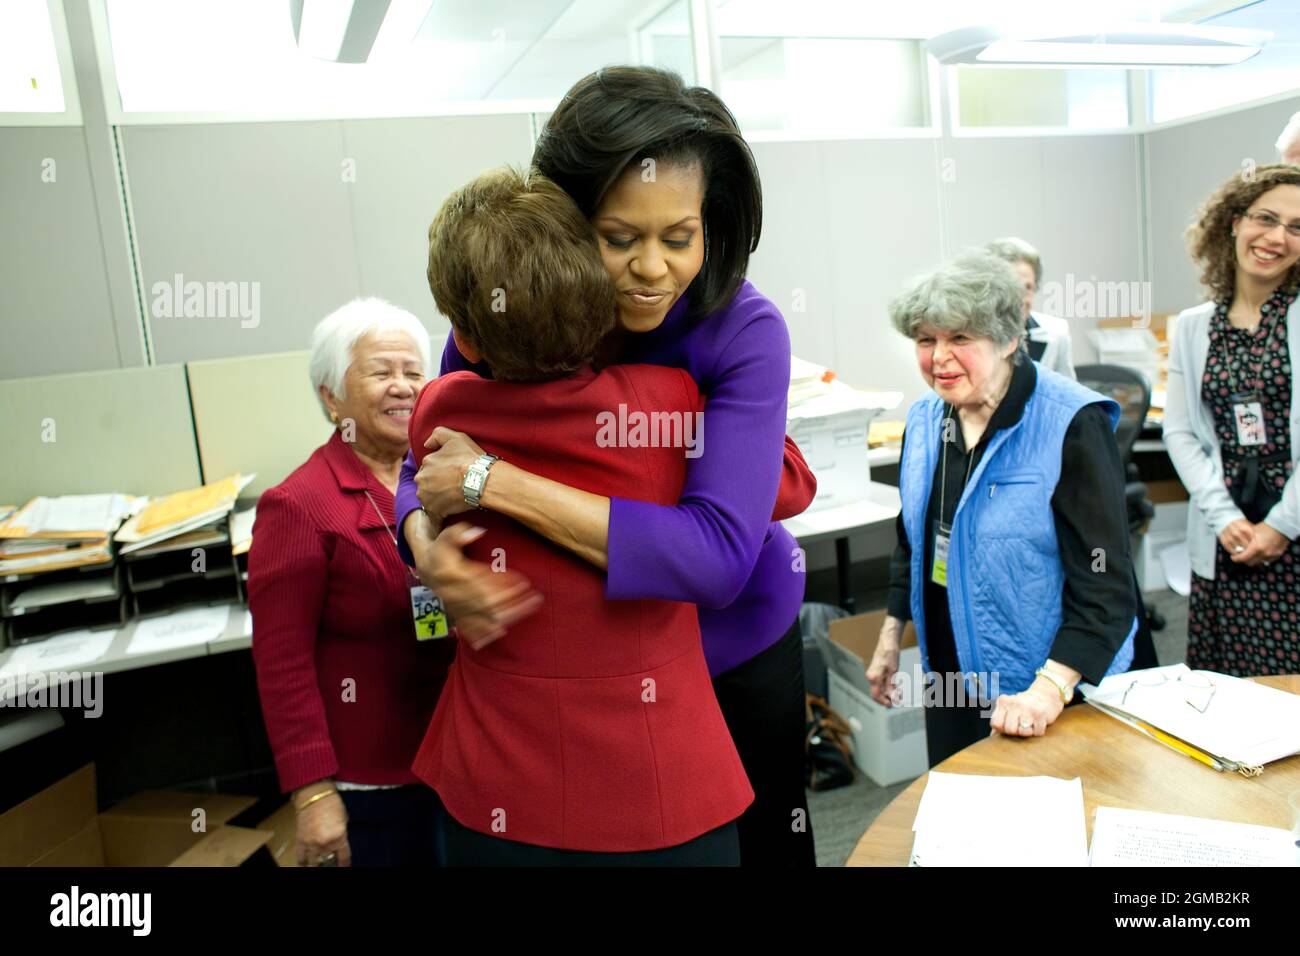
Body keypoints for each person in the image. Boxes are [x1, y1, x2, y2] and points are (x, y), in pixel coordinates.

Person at [395, 67, 817, 866]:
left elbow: (717, 555)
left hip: (727, 652)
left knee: (764, 843)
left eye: (679, 237)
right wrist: (423, 544)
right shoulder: (521, 302)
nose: (652, 268)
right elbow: (433, 452)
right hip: (575, 668)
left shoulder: (740, 329)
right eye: (618, 238)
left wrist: (498, 483)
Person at [867, 252, 1137, 767]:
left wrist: (1048, 690)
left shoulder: (1071, 424)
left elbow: (1106, 588)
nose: (940, 358)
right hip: (949, 670)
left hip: (1048, 684)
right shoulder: (925, 420)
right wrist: (889, 635)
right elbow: (914, 541)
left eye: (960, 339)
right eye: (926, 340)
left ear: (1010, 339)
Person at [248, 298, 454, 866]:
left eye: (414, 372)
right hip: (374, 781)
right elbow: (281, 666)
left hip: (459, 761)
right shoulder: (297, 506)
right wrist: (313, 793)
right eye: (381, 372)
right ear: (330, 395)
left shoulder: (442, 476)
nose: (403, 387)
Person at [1165, 164, 1300, 676]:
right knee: (1226, 702)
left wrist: (1282, 525)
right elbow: (1180, 430)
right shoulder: (1194, 327)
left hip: (1292, 535)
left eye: (1296, 227)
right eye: (1265, 218)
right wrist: (1225, 519)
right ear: (1233, 223)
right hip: (1229, 542)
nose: (1276, 237)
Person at [987, 237, 1075, 379]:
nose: (1020, 298)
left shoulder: (1057, 332)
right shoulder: (968, 337)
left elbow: (1070, 397)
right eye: (1012, 287)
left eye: (1027, 287)